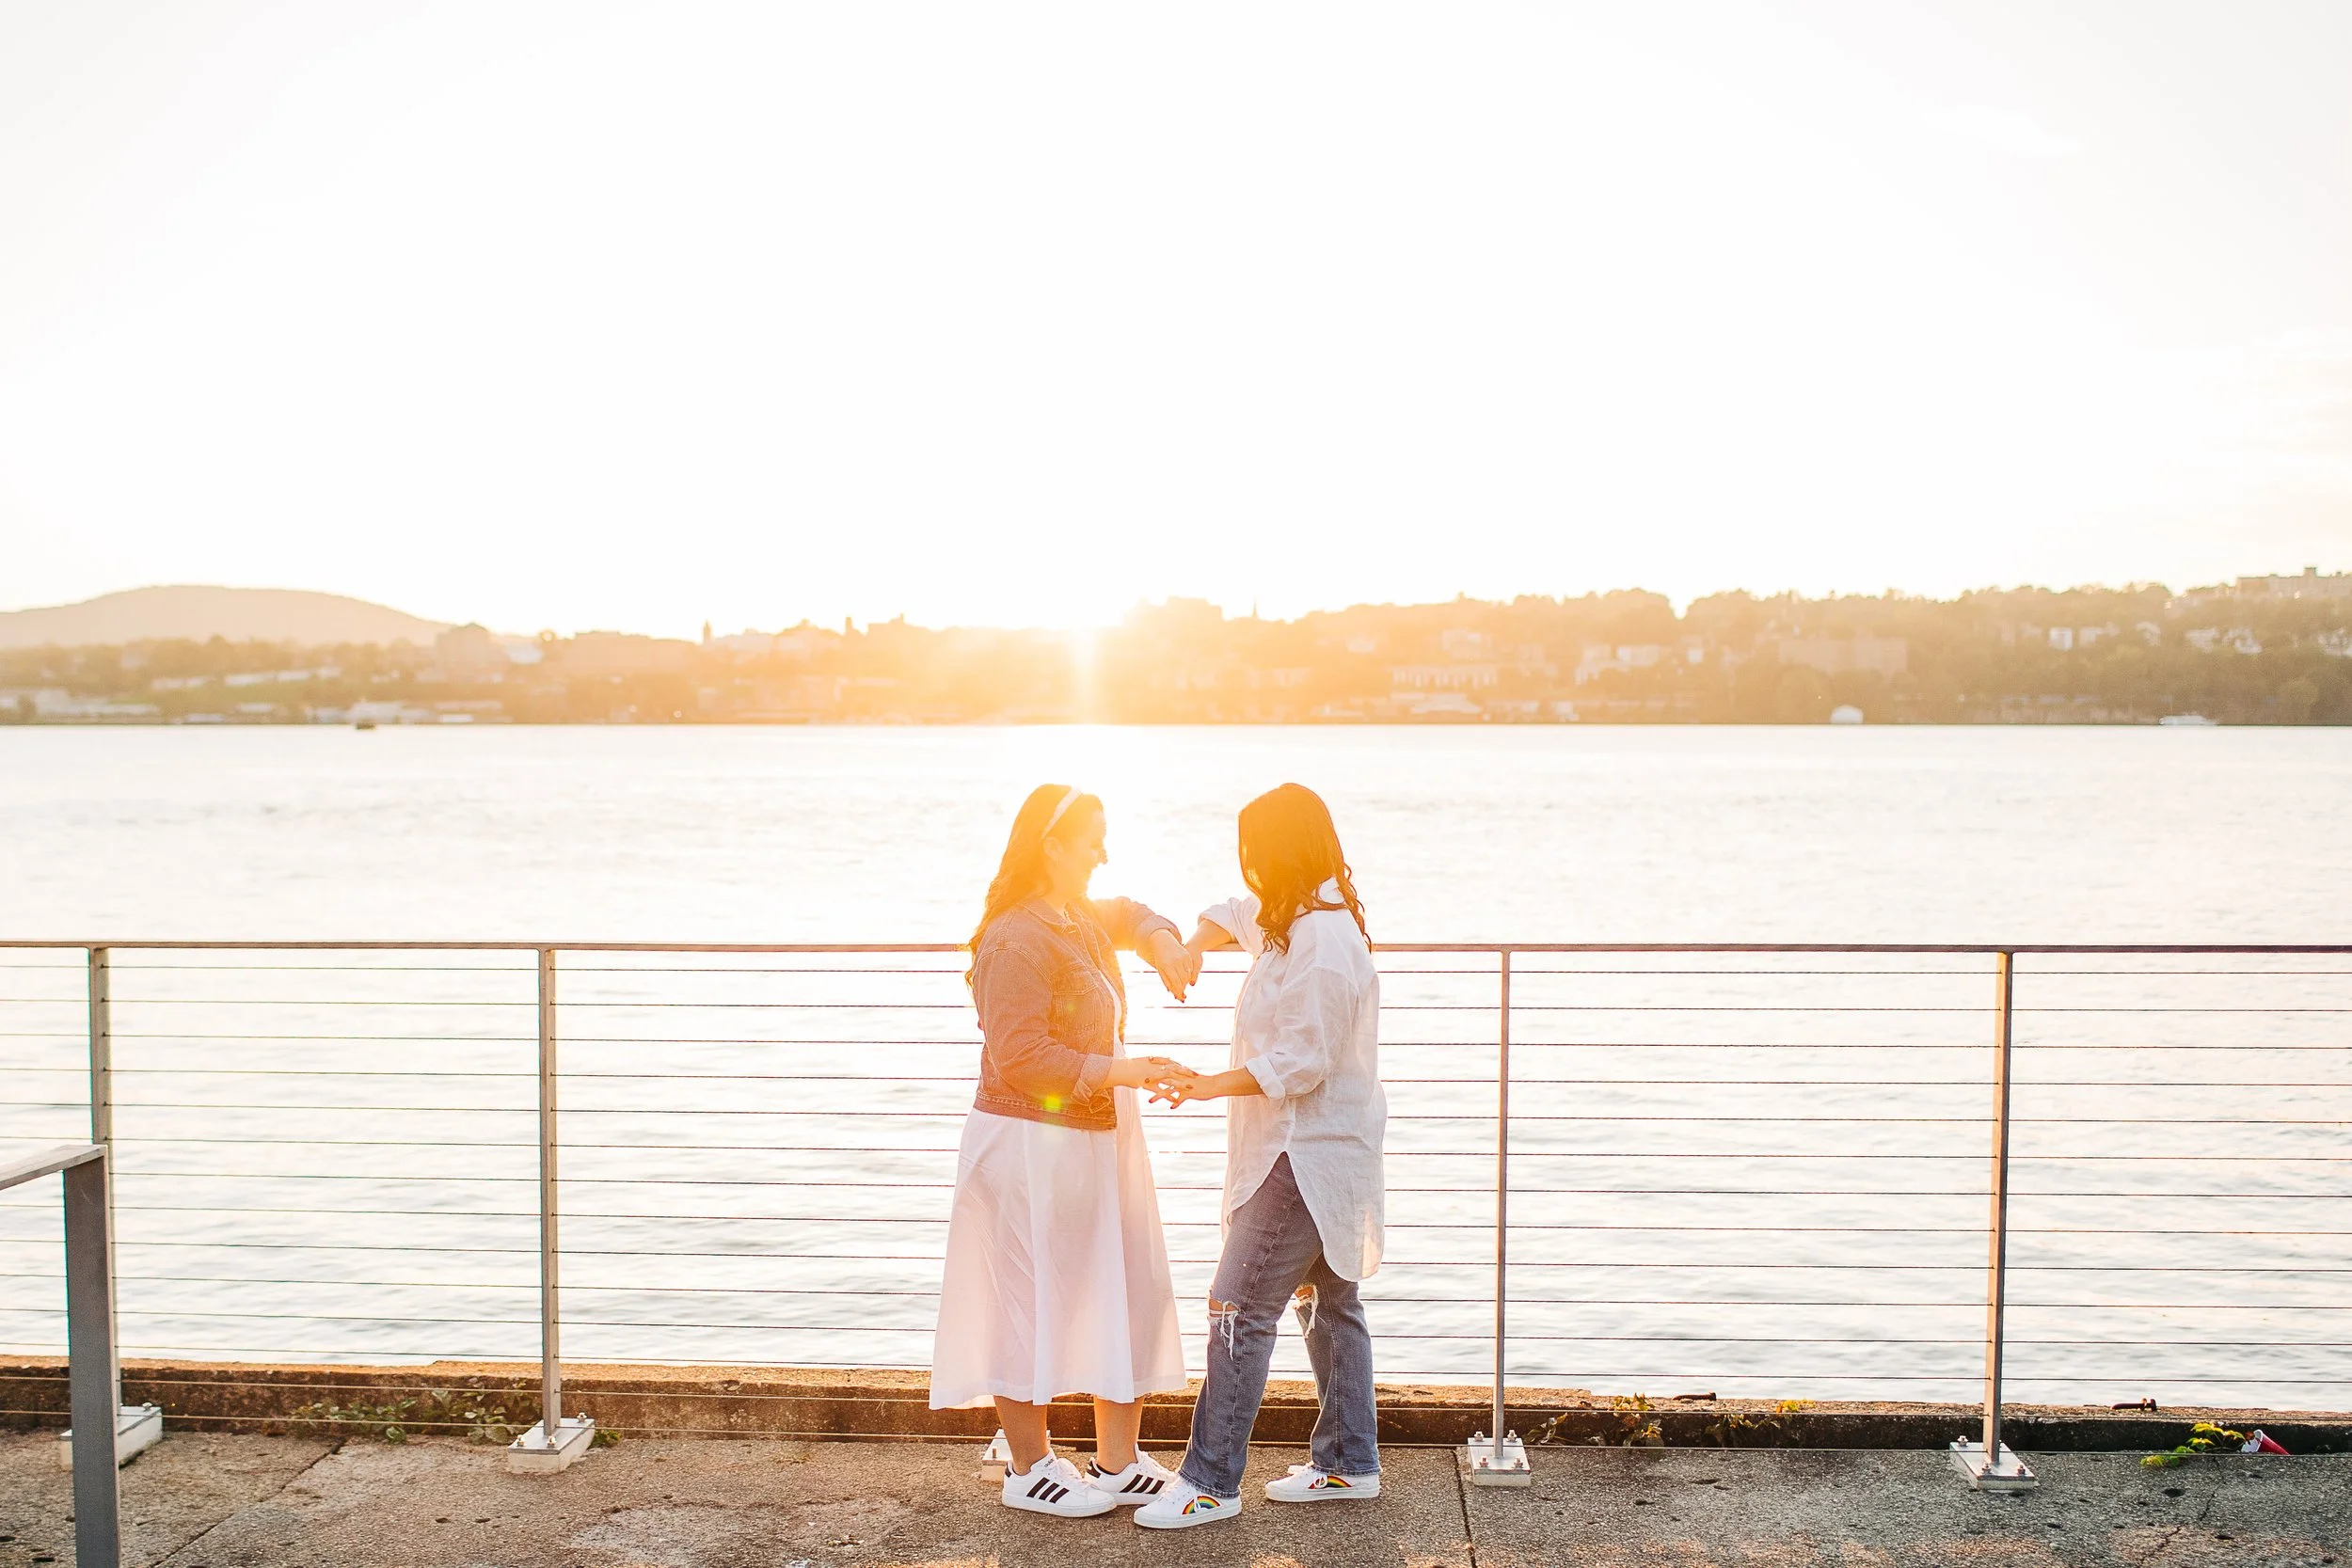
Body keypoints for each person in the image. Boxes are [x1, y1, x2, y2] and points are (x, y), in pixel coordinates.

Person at [930, 784, 1203, 1518]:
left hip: (1091, 1138)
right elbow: (1021, 1055)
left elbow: (1133, 912)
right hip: (1026, 1144)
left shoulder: (1076, 914)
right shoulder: (1014, 937)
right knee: (1025, 1295)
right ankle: (1029, 1466)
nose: (1102, 855)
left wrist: (1165, 942)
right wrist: (1127, 1069)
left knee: (1118, 1282)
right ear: (1051, 845)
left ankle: (1116, 1461)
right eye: (1091, 842)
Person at [1134, 783, 1386, 1530]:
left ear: (1280, 853)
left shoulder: (1323, 943)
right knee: (1330, 1304)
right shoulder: (1297, 911)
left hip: (1304, 1152)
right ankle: (1348, 1462)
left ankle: (1211, 1480)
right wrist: (1183, 948)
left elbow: (1300, 1062)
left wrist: (1208, 1084)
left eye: (1254, 854)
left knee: (1237, 1305)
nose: (1247, 870)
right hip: (1313, 1147)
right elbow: (1232, 915)